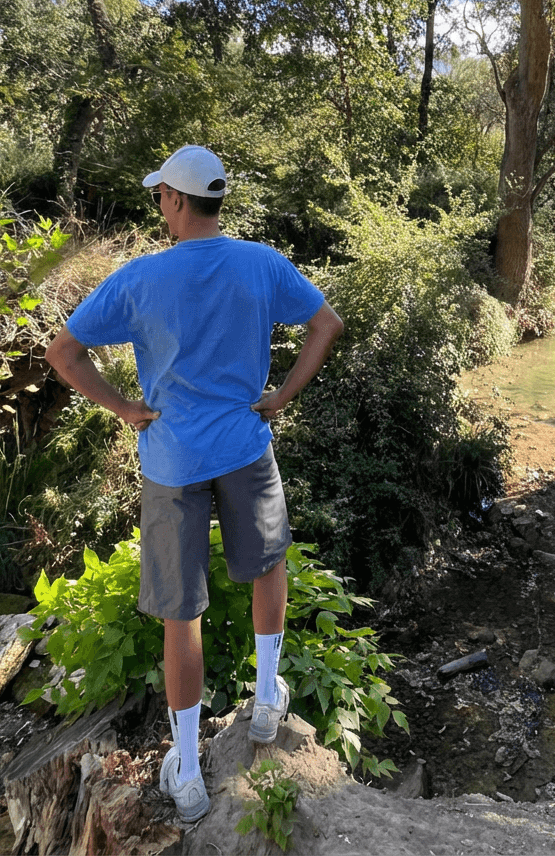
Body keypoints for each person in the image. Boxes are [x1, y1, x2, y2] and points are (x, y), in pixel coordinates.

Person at [45, 145, 344, 823]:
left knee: (183, 613)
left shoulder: (141, 278)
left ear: (179, 201)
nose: (159, 206)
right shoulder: (261, 263)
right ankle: (268, 699)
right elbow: (327, 325)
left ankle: (186, 770)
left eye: (161, 196)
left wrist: (124, 409)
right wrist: (282, 396)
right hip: (245, 446)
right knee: (267, 565)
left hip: (172, 462)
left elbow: (62, 352)